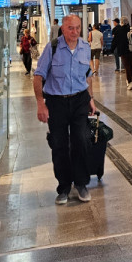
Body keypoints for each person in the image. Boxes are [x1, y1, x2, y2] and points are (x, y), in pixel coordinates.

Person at [33, 15, 97, 205]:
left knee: (81, 140)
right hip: (56, 102)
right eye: (70, 28)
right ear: (63, 28)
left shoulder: (85, 47)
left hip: (79, 100)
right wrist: (40, 103)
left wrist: (91, 99)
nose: (75, 32)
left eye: (78, 28)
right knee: (59, 145)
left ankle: (81, 183)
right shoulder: (52, 48)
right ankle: (63, 187)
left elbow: (88, 76)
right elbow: (38, 77)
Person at [112, 17, 132, 90]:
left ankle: (129, 81)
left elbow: (115, 41)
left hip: (123, 50)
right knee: (130, 65)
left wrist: (111, 49)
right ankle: (129, 79)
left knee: (127, 66)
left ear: (121, 22)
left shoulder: (119, 30)